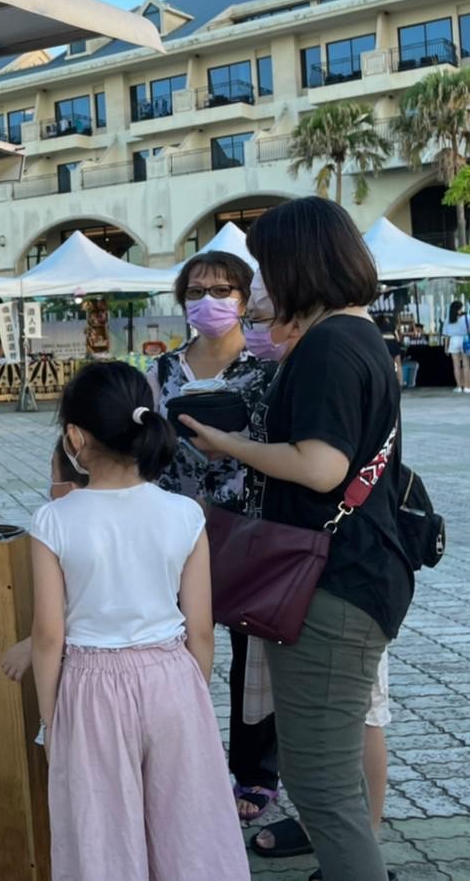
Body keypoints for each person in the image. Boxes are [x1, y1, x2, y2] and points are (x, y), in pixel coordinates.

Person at [180, 196, 411, 881]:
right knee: (329, 776)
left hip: (334, 582)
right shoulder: (358, 335)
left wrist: (230, 444)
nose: (264, 281)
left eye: (269, 265)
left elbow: (320, 465)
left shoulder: (331, 345)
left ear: (301, 262)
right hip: (355, 573)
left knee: (321, 785)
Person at [0, 362, 249, 881]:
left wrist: (54, 722)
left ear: (74, 436)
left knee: (103, 837)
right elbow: (200, 629)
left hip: (91, 689)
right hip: (173, 679)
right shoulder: (184, 513)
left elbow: (48, 636)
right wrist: (189, 695)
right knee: (187, 829)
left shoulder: (55, 520)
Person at [148, 250, 280, 824]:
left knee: (253, 657)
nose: (210, 300)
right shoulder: (161, 371)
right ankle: (182, 763)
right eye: (197, 289)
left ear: (245, 299)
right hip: (176, 535)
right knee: (177, 651)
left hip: (250, 531)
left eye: (224, 289)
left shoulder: (268, 369)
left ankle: (255, 773)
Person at [442, 300, 470, 394]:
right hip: (464, 340)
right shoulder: (468, 318)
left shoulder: (448, 319)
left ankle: (458, 386)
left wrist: (446, 348)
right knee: (466, 365)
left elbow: (446, 335)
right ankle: (467, 386)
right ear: (459, 309)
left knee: (456, 365)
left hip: (453, 341)